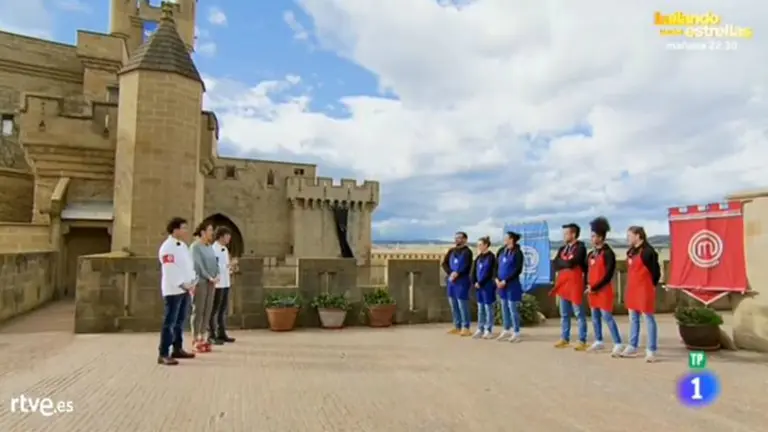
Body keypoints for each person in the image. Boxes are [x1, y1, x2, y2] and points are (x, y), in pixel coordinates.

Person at [157, 217, 197, 366]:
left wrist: (192, 281)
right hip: (173, 289)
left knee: (180, 321)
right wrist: (181, 283)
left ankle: (177, 348)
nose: (186, 231)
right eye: (183, 228)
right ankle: (163, 352)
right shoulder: (167, 247)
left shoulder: (183, 246)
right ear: (175, 230)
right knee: (170, 322)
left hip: (185, 288)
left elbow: (188, 265)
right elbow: (170, 269)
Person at [622, 225, 661, 362]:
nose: (628, 238)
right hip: (632, 288)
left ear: (638, 235)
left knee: (648, 318)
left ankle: (651, 349)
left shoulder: (648, 252)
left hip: (644, 289)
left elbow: (656, 272)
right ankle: (632, 345)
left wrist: (651, 286)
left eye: (630, 235)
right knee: (633, 318)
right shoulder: (631, 252)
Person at [585, 217, 624, 356]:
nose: (592, 238)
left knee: (607, 316)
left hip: (603, 290)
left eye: (594, 236)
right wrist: (588, 284)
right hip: (592, 290)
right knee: (594, 316)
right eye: (591, 235)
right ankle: (598, 340)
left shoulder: (608, 253)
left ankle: (618, 343)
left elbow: (608, 275)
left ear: (601, 237)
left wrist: (595, 287)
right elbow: (587, 271)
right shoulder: (591, 253)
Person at [551, 223, 589, 350]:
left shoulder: (581, 248)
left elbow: (573, 262)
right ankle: (564, 338)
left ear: (573, 234)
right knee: (564, 314)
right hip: (563, 285)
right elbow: (555, 263)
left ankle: (582, 340)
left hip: (575, 284)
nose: (564, 235)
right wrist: (565, 263)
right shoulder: (563, 248)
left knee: (579, 313)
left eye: (566, 233)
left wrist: (565, 263)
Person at [189, 221, 220, 353]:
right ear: (202, 232)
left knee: (208, 309)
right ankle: (196, 337)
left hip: (211, 282)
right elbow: (198, 265)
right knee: (199, 309)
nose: (211, 233)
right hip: (201, 281)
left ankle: (203, 335)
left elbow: (215, 262)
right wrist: (208, 276)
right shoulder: (195, 247)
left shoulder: (209, 247)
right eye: (209, 230)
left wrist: (217, 274)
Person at [441, 231, 474, 336]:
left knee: (462, 304)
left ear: (465, 239)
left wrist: (458, 273)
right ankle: (457, 326)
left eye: (459, 238)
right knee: (453, 304)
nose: (457, 239)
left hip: (462, 281)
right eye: (456, 238)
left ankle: (466, 327)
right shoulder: (451, 251)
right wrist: (451, 273)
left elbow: (466, 266)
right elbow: (444, 263)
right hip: (451, 281)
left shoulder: (467, 252)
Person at [495, 231, 525, 342]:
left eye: (506, 237)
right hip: (501, 284)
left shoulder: (518, 253)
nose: (504, 239)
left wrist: (506, 281)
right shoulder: (501, 251)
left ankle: (516, 332)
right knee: (504, 308)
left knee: (512, 308)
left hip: (511, 284)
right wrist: (497, 279)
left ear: (511, 239)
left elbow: (518, 270)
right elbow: (496, 266)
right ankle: (506, 329)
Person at [208, 226, 235, 344]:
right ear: (221, 236)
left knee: (223, 309)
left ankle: (221, 332)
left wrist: (230, 268)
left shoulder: (224, 249)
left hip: (225, 282)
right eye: (227, 236)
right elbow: (215, 267)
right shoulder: (214, 249)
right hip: (217, 284)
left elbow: (226, 265)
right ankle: (212, 334)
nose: (229, 239)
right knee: (214, 309)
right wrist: (228, 266)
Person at [470, 236, 497, 339]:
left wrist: (481, 282)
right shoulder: (478, 257)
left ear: (486, 245)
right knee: (480, 308)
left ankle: (488, 329)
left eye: (480, 245)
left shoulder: (491, 257)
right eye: (478, 245)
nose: (479, 247)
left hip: (487, 286)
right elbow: (473, 271)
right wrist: (474, 282)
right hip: (478, 287)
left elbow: (489, 272)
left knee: (488, 308)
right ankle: (480, 328)